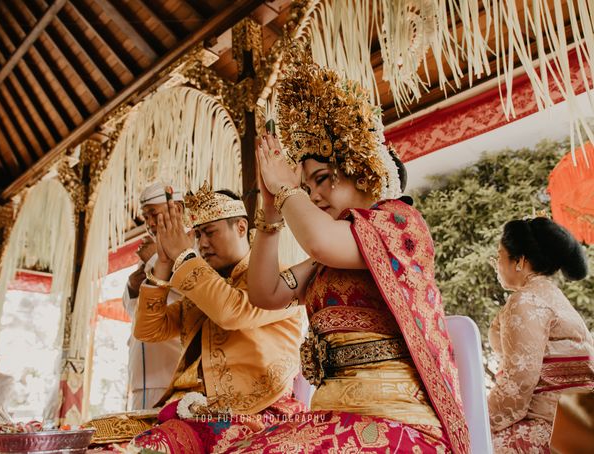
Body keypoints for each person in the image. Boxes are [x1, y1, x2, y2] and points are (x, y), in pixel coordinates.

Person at [239, 44, 470, 453]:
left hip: (398, 420)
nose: (313, 196)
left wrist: (287, 187)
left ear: (360, 170)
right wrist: (271, 212)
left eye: (323, 179)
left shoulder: (397, 223)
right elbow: (264, 293)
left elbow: (320, 239)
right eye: (307, 188)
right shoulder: (328, 259)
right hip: (332, 420)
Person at [130, 183, 305, 453]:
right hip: (193, 410)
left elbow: (231, 312)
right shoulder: (204, 287)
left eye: (210, 232)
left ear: (241, 228)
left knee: (148, 449)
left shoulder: (278, 282)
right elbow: (149, 330)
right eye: (198, 235)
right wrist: (163, 264)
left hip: (258, 413)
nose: (202, 244)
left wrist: (184, 256)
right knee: (105, 439)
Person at [488, 217, 594, 453]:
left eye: (499, 255)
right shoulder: (552, 297)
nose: (496, 263)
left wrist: (473, 420)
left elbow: (518, 385)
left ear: (520, 261)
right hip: (579, 427)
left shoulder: (527, 300)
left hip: (552, 429)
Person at [122, 182, 183, 410]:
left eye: (153, 214)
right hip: (141, 371)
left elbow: (196, 289)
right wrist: (131, 286)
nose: (148, 224)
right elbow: (133, 312)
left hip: (173, 368)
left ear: (176, 208)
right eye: (145, 217)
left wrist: (152, 261)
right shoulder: (149, 251)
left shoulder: (195, 246)